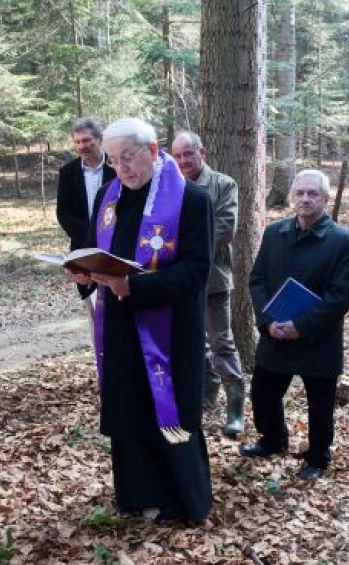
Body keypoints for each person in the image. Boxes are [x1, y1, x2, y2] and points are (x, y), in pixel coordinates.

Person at [68, 117, 214, 523]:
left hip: (169, 330)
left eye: (128, 158)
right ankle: (137, 493)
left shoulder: (192, 200)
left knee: (170, 411)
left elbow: (196, 271)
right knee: (129, 406)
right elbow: (97, 253)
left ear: (153, 151)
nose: (122, 169)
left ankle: (183, 501)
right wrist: (84, 272)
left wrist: (137, 289)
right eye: (113, 161)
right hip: (119, 324)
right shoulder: (109, 199)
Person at [240, 169, 349, 481]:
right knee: (263, 395)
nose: (305, 199)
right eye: (300, 193)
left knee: (320, 404)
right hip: (275, 333)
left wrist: (301, 326)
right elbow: (257, 280)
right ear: (292, 196)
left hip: (318, 339)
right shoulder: (274, 234)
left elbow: (340, 297)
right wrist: (267, 322)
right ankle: (273, 439)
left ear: (325, 198)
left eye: (313, 194)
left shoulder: (344, 241)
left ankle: (318, 457)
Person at [170, 131, 245, 437]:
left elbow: (224, 228)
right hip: (180, 282)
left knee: (221, 343)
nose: (184, 161)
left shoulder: (223, 184)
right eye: (177, 156)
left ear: (201, 152)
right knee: (193, 343)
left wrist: (182, 250)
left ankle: (236, 409)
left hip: (213, 280)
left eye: (189, 154)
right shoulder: (168, 187)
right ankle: (203, 397)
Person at [56, 117, 116, 252]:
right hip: (82, 245)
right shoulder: (67, 172)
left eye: (87, 140)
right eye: (77, 142)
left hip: (116, 243)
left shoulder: (116, 167)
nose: (82, 146)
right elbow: (64, 213)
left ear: (99, 139)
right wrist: (89, 239)